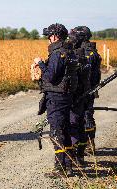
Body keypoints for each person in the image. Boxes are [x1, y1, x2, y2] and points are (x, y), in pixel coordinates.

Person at [33, 23, 79, 177]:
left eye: (48, 36)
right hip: (65, 96)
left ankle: (60, 169)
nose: (48, 39)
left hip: (57, 98)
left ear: (54, 36)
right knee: (65, 131)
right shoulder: (69, 51)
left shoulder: (58, 53)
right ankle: (68, 167)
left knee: (56, 132)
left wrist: (40, 64)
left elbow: (50, 77)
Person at [68, 27, 92, 166]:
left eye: (72, 38)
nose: (69, 40)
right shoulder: (83, 54)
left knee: (76, 125)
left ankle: (75, 158)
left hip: (79, 96)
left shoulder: (84, 55)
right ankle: (79, 156)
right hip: (83, 94)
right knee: (80, 124)